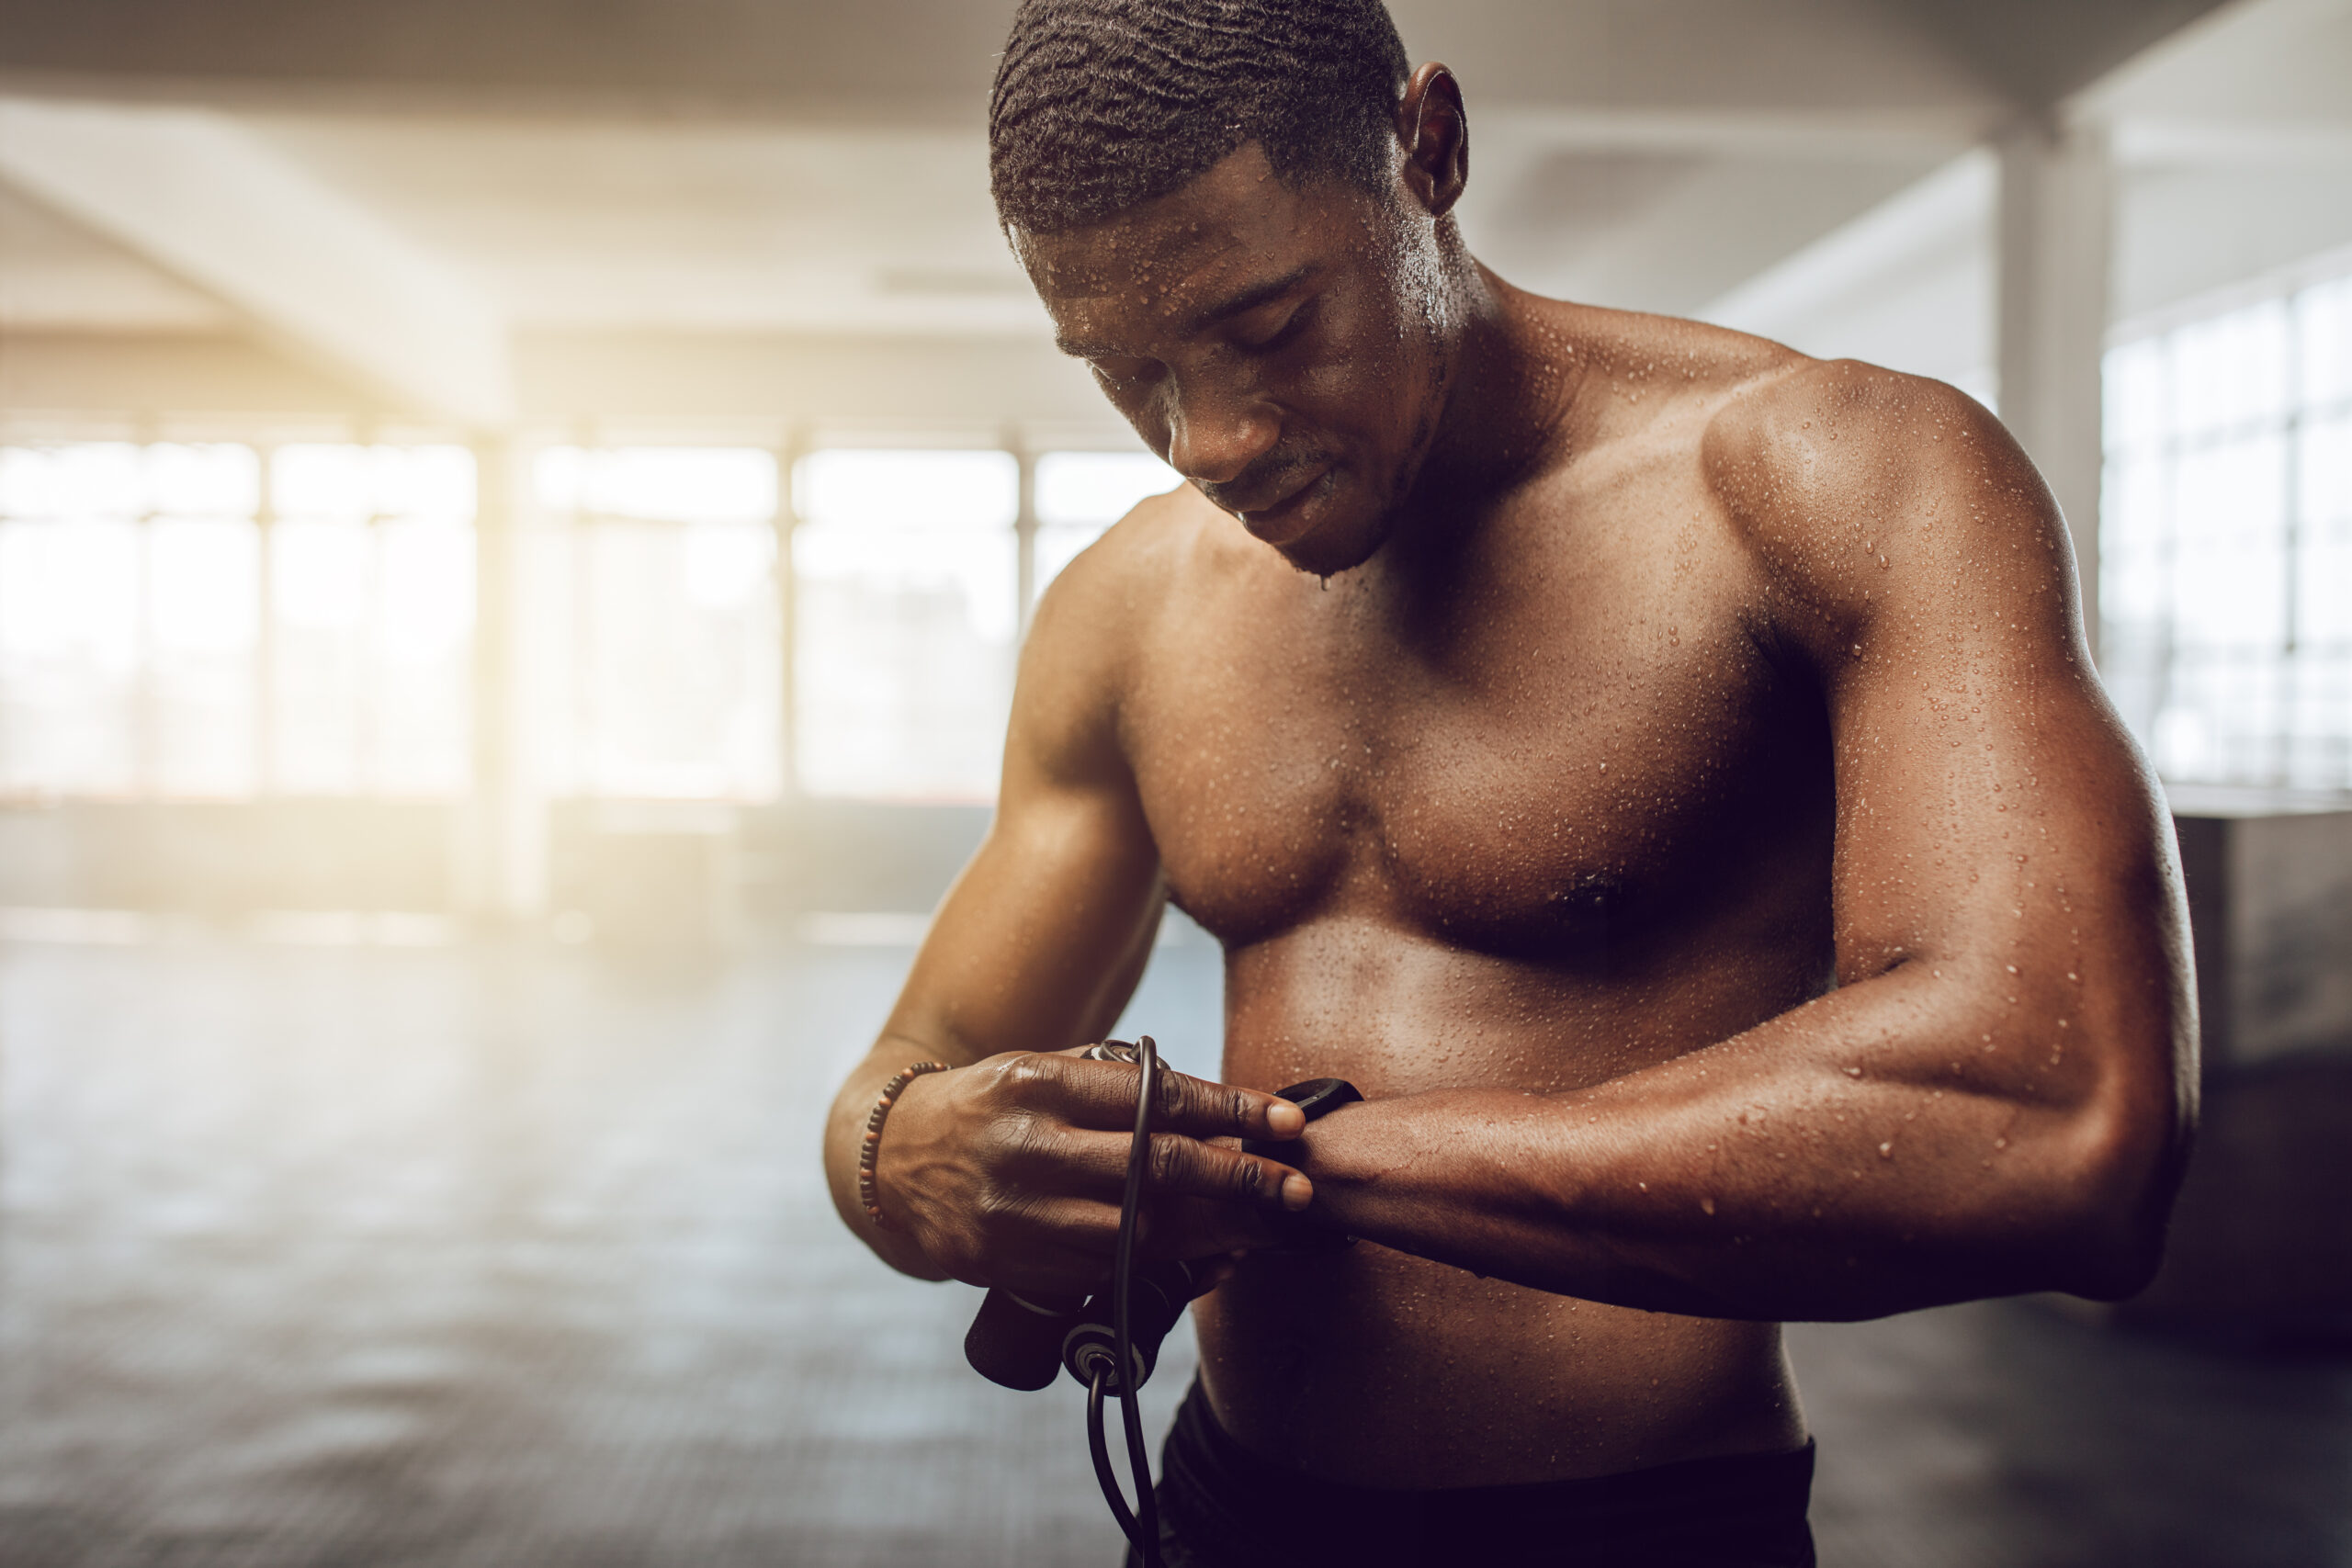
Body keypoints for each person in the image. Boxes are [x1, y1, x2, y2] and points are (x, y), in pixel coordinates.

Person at [824, 2, 2197, 1562]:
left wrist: (1301, 1164)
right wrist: (898, 1162)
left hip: (1638, 1527)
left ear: (1431, 150)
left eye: (1270, 327)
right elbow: (914, 1063)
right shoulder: (1127, 607)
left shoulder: (1823, 479)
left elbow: (2060, 1118)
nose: (1206, 438)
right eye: (1125, 370)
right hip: (1217, 1511)